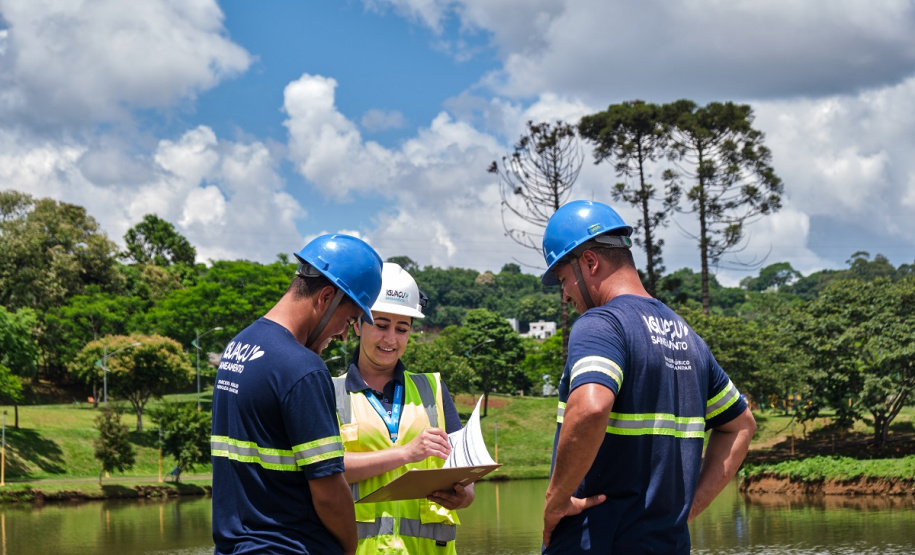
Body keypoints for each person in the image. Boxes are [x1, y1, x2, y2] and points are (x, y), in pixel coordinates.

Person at [539, 200, 757, 554]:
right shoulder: (688, 338)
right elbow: (741, 426)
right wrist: (687, 510)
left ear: (589, 263)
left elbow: (592, 407)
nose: (565, 296)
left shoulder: (601, 324)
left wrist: (556, 501)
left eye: (563, 279)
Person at [211, 234, 384, 555]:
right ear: (326, 297)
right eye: (348, 320)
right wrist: (349, 549)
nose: (345, 334)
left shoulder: (238, 347)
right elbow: (329, 492)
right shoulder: (303, 368)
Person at [331, 262, 474, 554]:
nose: (391, 339)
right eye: (381, 325)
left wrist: (464, 496)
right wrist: (406, 454)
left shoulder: (433, 390)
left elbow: (465, 471)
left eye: (402, 328)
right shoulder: (329, 392)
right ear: (358, 324)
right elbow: (325, 468)